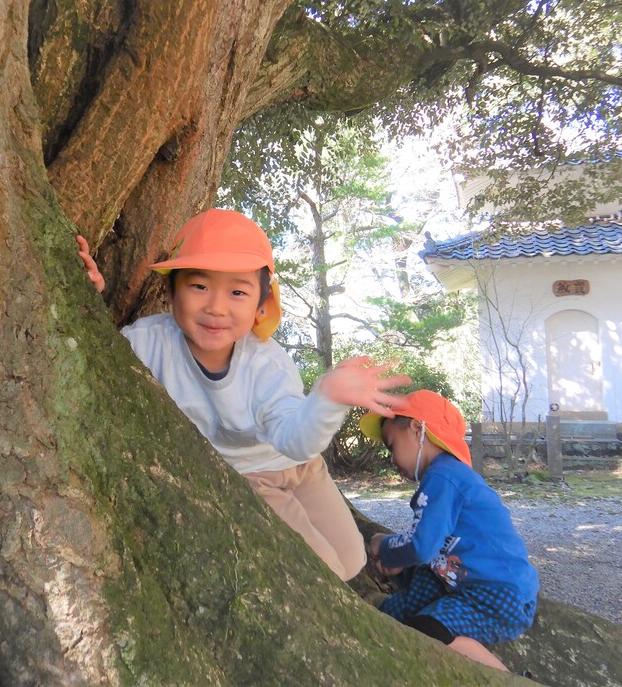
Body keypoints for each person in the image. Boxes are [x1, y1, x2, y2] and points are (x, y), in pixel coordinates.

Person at [76, 208, 410, 581]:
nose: (216, 307)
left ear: (260, 307)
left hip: (300, 464)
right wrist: (89, 299)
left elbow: (294, 441)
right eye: (199, 286)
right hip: (251, 477)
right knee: (325, 572)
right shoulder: (147, 343)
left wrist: (327, 399)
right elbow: (98, 359)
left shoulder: (267, 364)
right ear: (170, 291)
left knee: (352, 561)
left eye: (237, 291)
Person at [360, 390, 539, 672]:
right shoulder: (445, 475)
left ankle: (509, 679)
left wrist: (386, 548)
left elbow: (422, 545)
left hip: (498, 593)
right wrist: (402, 563)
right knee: (410, 593)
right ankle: (384, 615)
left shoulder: (445, 477)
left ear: (417, 429)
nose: (391, 457)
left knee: (428, 629)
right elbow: (429, 549)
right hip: (461, 581)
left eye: (391, 445)